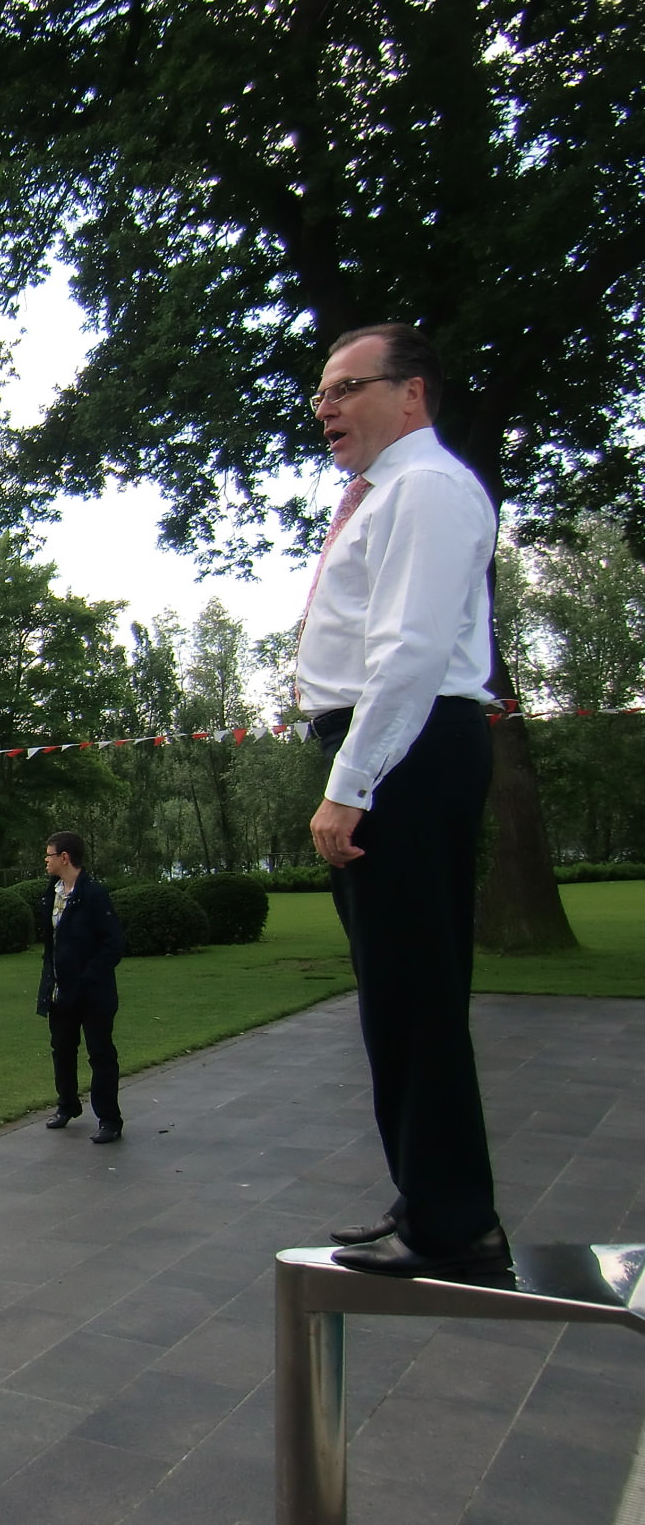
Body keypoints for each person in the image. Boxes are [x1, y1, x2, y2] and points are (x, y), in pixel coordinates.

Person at [298, 323, 508, 1279]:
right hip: (397, 748)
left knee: (414, 993)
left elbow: (409, 654)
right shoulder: (386, 494)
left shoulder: (425, 489)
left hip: (405, 751)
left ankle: (455, 1226)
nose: (325, 408)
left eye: (347, 388)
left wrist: (352, 785)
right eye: (322, 392)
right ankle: (428, 1195)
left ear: (412, 391)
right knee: (397, 993)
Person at [34, 832, 125, 1143]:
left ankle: (109, 1119)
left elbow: (113, 944)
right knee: (62, 1049)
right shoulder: (52, 892)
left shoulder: (93, 894)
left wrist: (87, 978)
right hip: (59, 990)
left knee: (100, 1053)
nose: (45, 860)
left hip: (92, 993)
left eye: (49, 854)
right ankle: (67, 1104)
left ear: (65, 857)